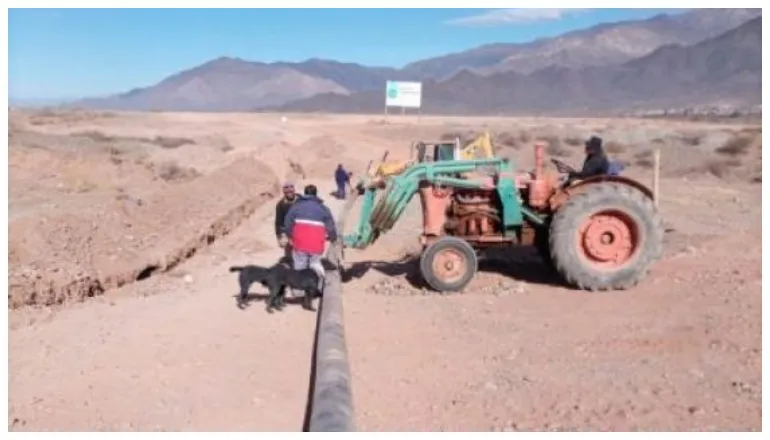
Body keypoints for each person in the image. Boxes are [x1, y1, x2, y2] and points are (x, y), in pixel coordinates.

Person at [283, 184, 338, 293]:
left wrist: (290, 236)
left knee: (299, 265)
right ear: (315, 194)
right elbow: (331, 226)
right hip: (316, 244)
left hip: (299, 243)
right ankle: (317, 288)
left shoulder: (296, 206)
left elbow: (287, 222)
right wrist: (333, 238)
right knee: (315, 264)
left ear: (305, 194)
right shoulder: (324, 208)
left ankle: (298, 292)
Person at [274, 182, 298, 263]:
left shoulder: (301, 200)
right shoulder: (281, 205)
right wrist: (280, 237)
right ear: (284, 192)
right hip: (288, 232)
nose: (289, 193)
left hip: (301, 230)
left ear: (294, 190)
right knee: (289, 257)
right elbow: (279, 222)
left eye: (291, 191)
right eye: (287, 192)